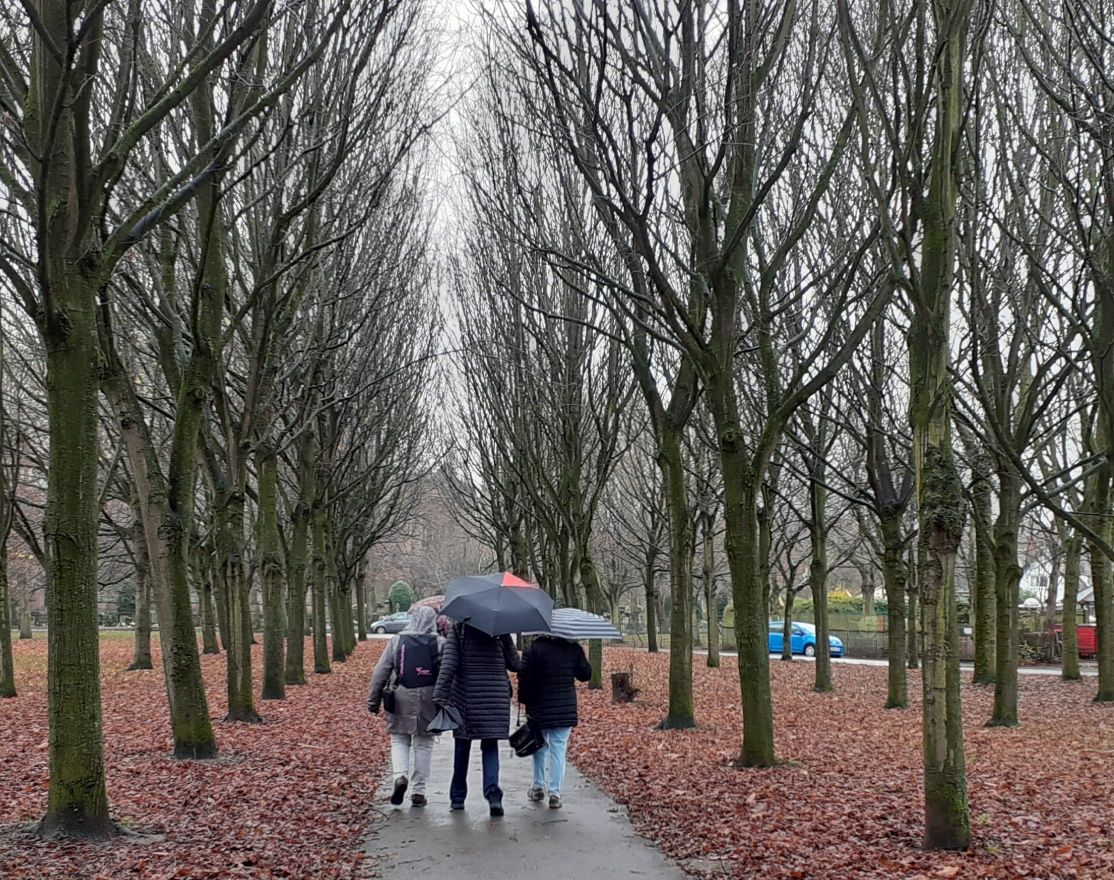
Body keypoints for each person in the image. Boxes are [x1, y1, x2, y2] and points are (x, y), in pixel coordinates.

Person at [432, 622, 521, 816]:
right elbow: (515, 665)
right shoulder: (500, 629)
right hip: (495, 696)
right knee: (490, 746)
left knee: (462, 747)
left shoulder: (459, 630)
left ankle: (457, 798)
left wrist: (439, 695)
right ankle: (493, 794)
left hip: (466, 696)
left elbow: (449, 665)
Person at [367, 606, 443, 808]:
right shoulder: (439, 643)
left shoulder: (397, 641)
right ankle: (419, 790)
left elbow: (380, 672)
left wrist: (373, 701)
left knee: (399, 739)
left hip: (400, 695)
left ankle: (400, 776)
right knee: (424, 743)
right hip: (429, 697)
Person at [518, 634, 592, 810]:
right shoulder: (573, 648)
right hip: (563, 708)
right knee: (558, 750)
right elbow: (585, 675)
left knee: (539, 747)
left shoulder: (534, 648)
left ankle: (537, 787)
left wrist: (524, 700)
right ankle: (555, 794)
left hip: (539, 706)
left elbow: (524, 675)